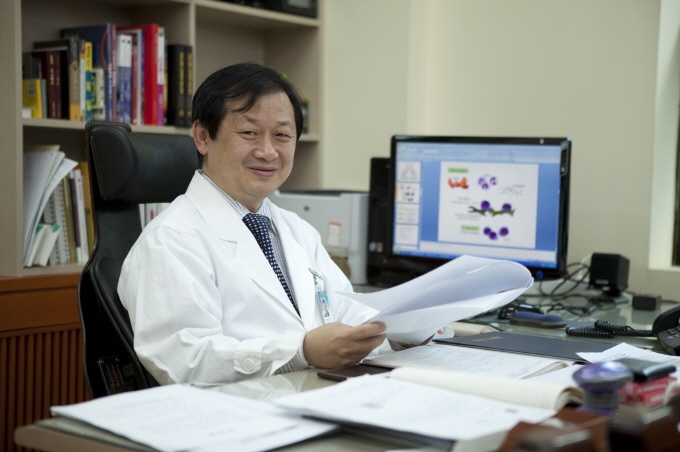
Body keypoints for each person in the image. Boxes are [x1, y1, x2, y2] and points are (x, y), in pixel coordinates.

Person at [118, 62, 433, 388]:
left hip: (318, 396)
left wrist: (400, 333)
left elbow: (349, 313)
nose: (268, 152)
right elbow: (184, 361)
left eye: (282, 135)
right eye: (249, 133)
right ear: (202, 137)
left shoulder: (296, 230)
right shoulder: (170, 240)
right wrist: (301, 351)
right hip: (237, 411)